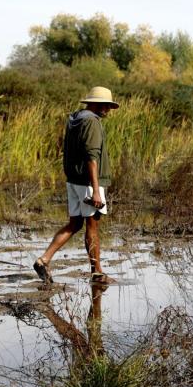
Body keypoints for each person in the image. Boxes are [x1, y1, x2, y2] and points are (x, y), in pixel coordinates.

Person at [33, 86, 118, 285]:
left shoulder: (76, 118)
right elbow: (91, 156)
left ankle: (43, 260)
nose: (107, 110)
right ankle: (97, 272)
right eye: (105, 105)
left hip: (74, 180)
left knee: (75, 223)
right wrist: (96, 189)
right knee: (92, 225)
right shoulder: (91, 122)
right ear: (95, 103)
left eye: (109, 106)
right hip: (88, 182)